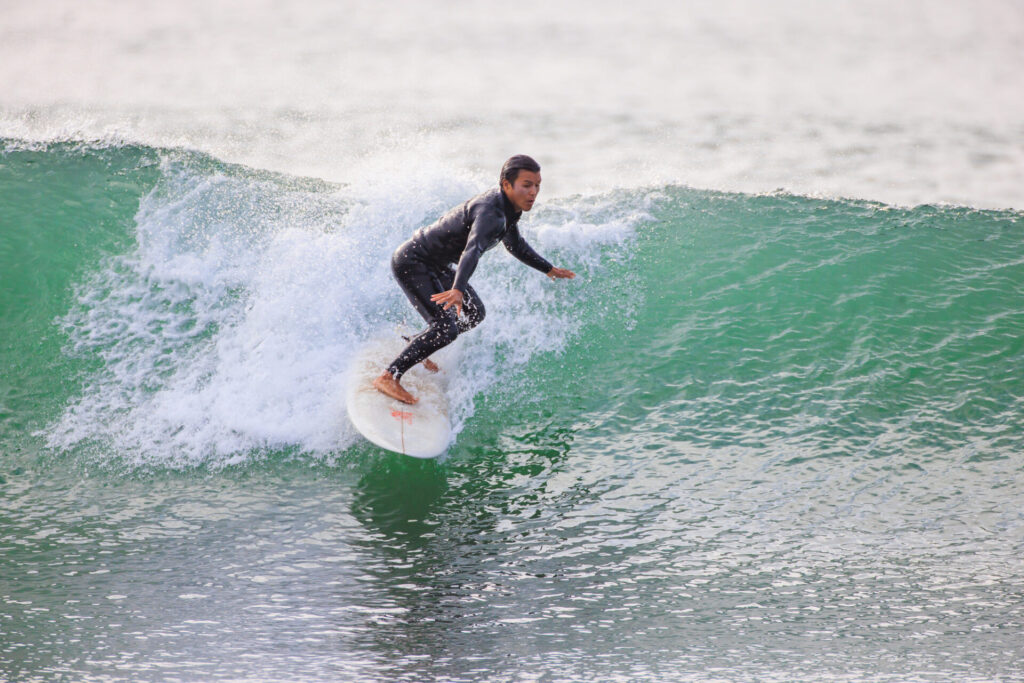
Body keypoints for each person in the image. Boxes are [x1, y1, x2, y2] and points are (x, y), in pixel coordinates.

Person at [374, 155, 576, 404]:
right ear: (506, 185)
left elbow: (515, 245)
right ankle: (388, 376)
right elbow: (473, 249)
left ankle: (417, 344)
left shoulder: (509, 210)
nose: (533, 192)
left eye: (537, 185)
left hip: (435, 264)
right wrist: (457, 288)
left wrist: (547, 269)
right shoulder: (491, 213)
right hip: (413, 262)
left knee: (475, 313)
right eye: (527, 185)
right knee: (445, 328)